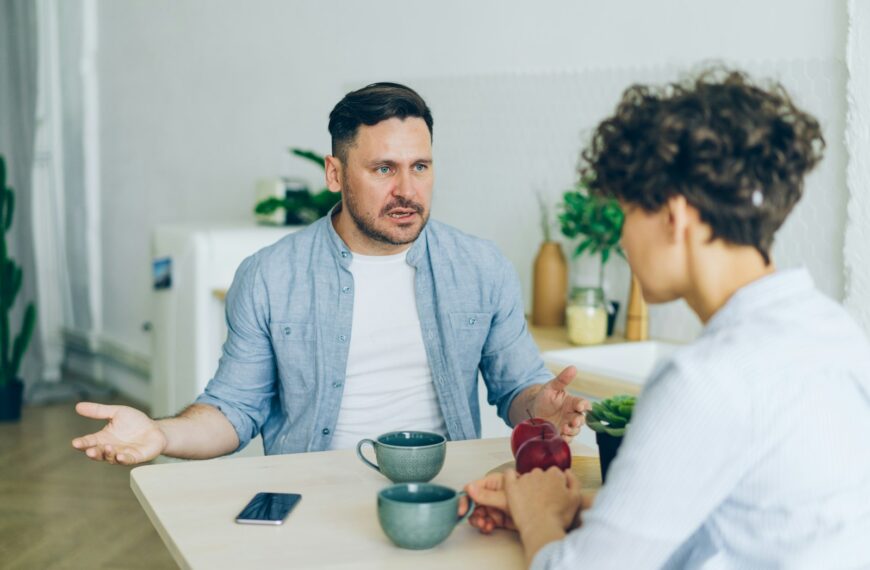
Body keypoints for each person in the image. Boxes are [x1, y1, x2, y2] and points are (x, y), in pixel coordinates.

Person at [464, 69, 870, 568]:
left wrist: (537, 516)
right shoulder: (834, 331)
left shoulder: (706, 379)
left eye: (628, 212)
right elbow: (745, 524)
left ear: (674, 217)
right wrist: (572, 513)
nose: (621, 239)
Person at [72, 82, 590, 465]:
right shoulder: (270, 276)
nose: (407, 190)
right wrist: (161, 434)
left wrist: (539, 404)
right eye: (384, 169)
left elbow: (516, 390)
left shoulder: (480, 267)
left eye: (421, 167)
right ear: (335, 173)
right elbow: (233, 410)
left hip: (443, 493)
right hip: (310, 493)